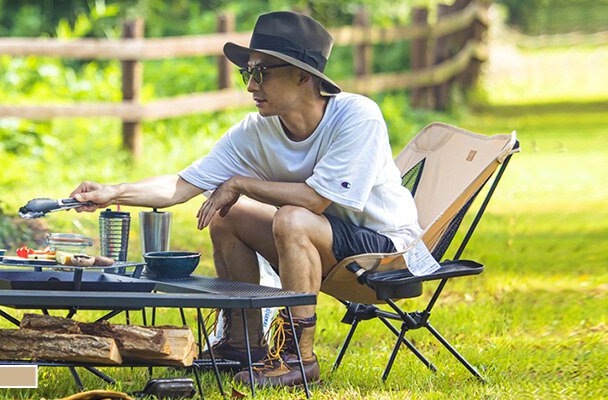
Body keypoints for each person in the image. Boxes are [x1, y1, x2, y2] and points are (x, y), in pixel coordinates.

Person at [70, 11, 421, 387]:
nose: (251, 85)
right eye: (248, 73)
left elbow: (316, 200)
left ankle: (298, 358)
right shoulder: (256, 131)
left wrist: (241, 183)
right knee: (228, 214)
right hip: (325, 244)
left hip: (386, 253)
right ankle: (242, 343)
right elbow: (181, 185)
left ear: (303, 76)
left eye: (262, 73)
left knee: (292, 217)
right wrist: (113, 192)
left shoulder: (356, 116)